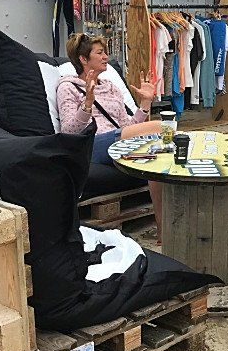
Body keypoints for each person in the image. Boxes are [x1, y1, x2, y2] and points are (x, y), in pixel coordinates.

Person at [56, 33, 164, 239]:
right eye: (100, 53)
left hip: (116, 139)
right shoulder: (68, 87)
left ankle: (162, 230)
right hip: (93, 144)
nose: (106, 57)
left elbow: (126, 128)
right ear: (83, 59)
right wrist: (87, 103)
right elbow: (69, 132)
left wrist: (145, 104)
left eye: (105, 52)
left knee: (157, 159)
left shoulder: (111, 87)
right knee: (160, 127)